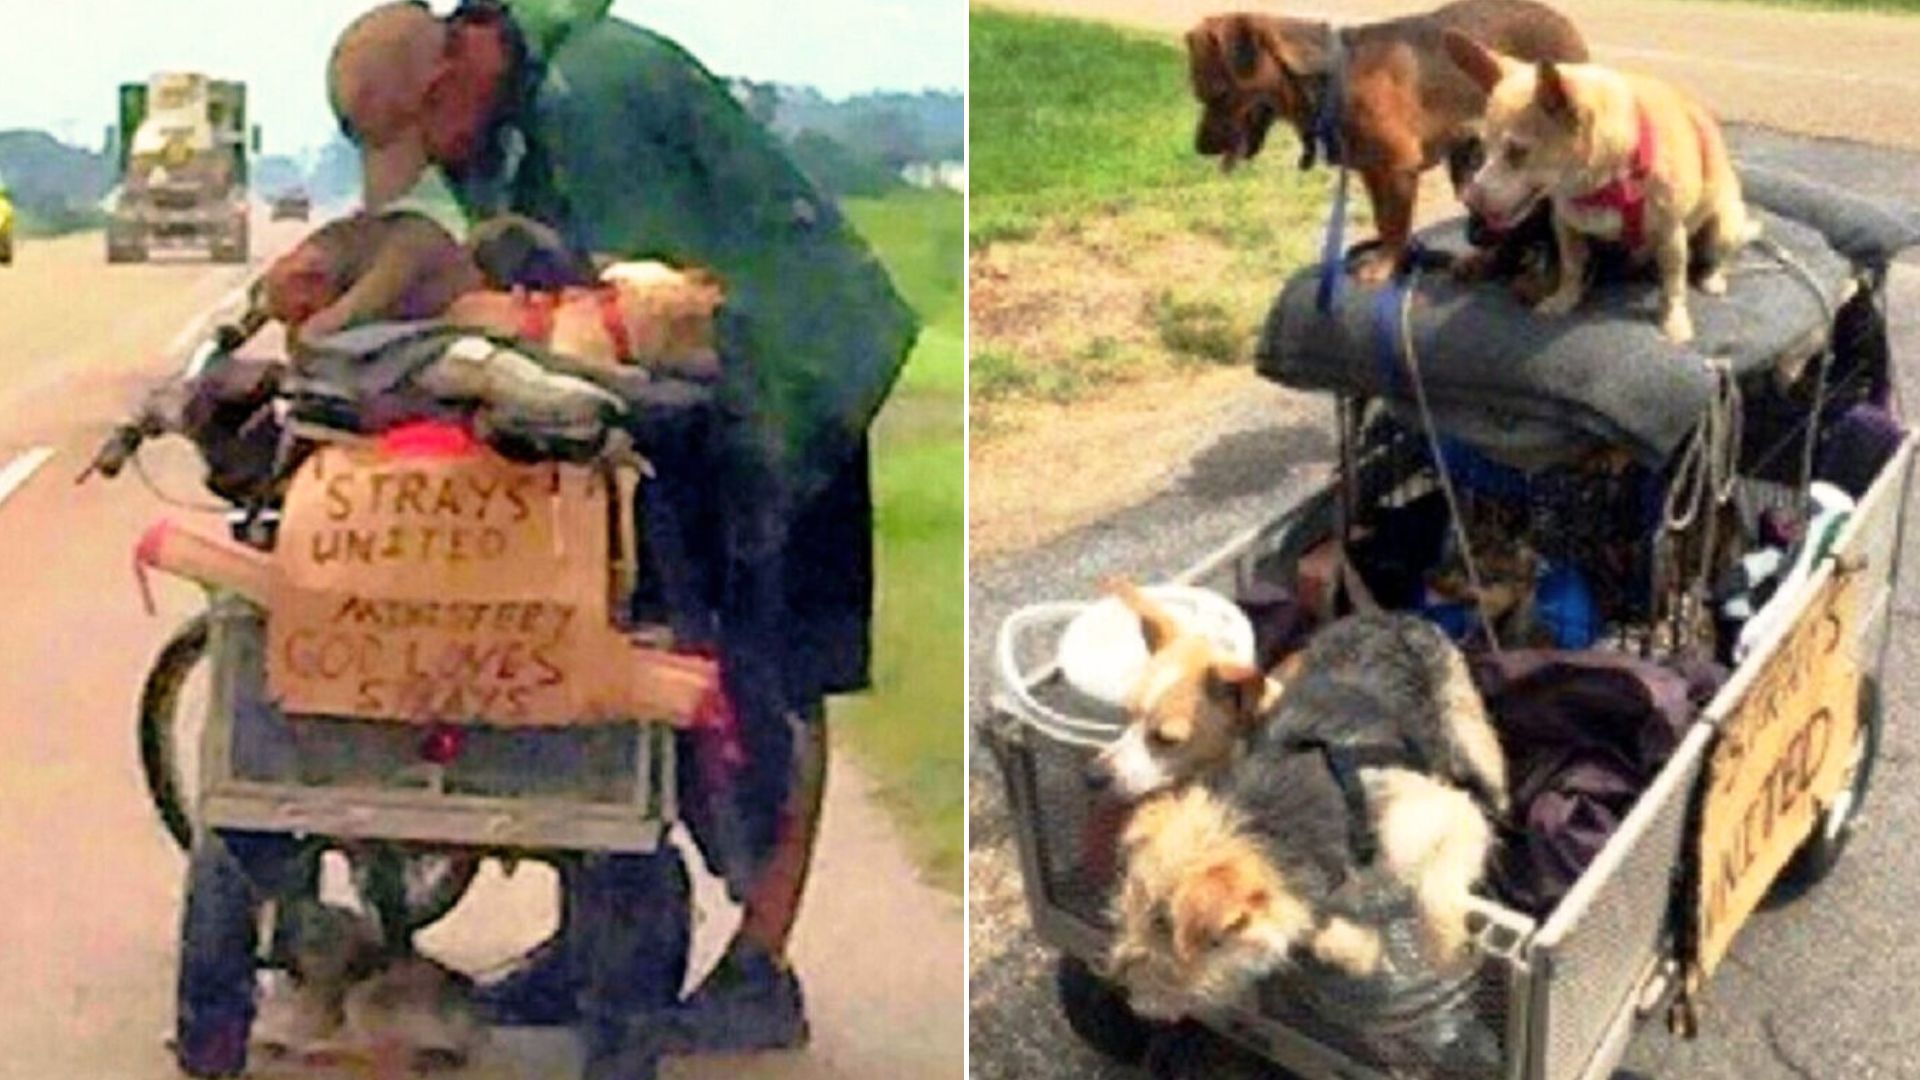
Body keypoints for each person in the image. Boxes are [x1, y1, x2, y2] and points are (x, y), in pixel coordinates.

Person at [323, 0, 917, 1071]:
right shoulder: (501, 120)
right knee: (609, 633)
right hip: (695, 390)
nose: (442, 163)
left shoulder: (597, 92)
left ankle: (759, 970)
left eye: (431, 136)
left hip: (794, 380)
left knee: (771, 673)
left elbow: (641, 314)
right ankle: (589, 938)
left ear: (457, 69)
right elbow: (514, 282)